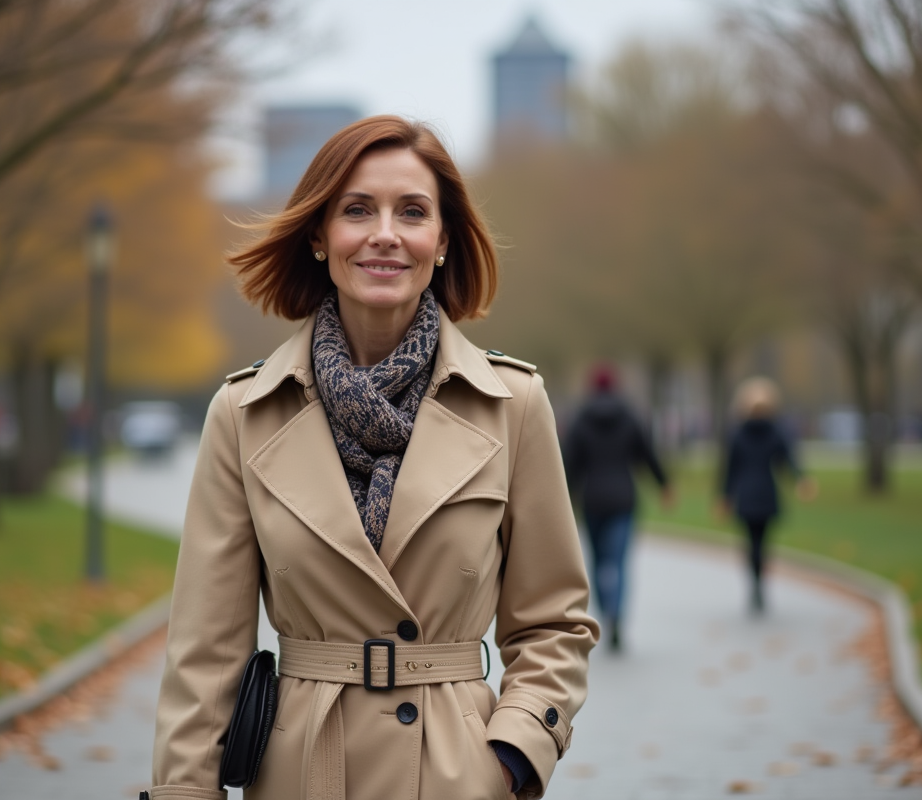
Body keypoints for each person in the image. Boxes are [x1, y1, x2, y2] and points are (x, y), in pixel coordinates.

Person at [150, 116, 598, 800]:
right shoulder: (243, 414)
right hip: (302, 772)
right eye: (357, 210)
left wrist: (513, 755)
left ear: (441, 241)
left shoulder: (513, 404)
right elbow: (205, 653)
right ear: (320, 237)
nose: (384, 233)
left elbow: (554, 623)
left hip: (459, 775)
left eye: (412, 212)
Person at [563, 363, 671, 651]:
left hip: (593, 498)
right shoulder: (630, 416)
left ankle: (606, 611)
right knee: (620, 562)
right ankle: (617, 616)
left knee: (598, 562)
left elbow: (569, 464)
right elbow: (647, 454)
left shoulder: (581, 419)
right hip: (624, 498)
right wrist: (664, 485)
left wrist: (564, 500)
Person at [718, 377, 816, 615]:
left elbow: (729, 469)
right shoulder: (775, 432)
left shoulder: (738, 433)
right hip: (766, 493)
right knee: (763, 543)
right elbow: (788, 461)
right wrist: (800, 479)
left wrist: (725, 496)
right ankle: (759, 582)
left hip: (746, 494)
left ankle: (755, 583)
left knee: (750, 543)